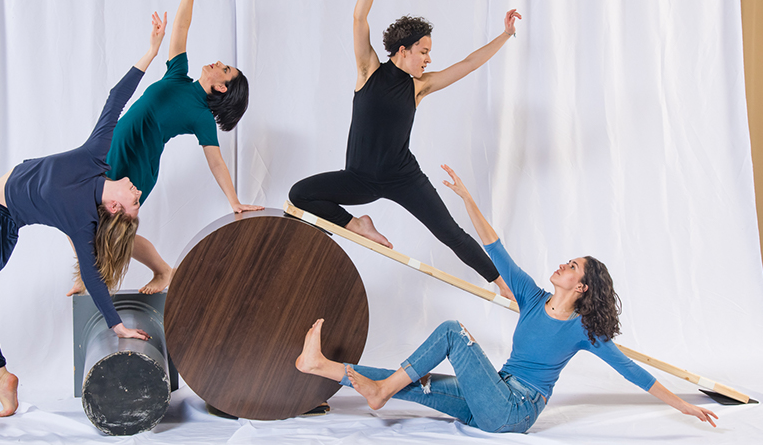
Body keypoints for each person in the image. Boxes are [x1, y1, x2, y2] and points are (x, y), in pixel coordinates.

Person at [295, 163, 719, 433]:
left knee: (452, 333)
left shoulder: (582, 331)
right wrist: (468, 200)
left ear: (582, 288)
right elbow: (494, 245)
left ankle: (379, 391)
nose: (562, 266)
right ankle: (322, 367)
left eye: (572, 267)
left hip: (514, 409)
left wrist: (684, 406)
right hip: (492, 395)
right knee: (407, 381)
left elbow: (634, 373)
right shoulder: (533, 298)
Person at [0, 14, 167, 439]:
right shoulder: (96, 157)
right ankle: (2, 379)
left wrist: (117, 326)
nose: (137, 193)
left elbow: (93, 275)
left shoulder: (83, 218)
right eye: (138, 198)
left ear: (115, 210)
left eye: (136, 205)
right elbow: (116, 100)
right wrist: (150, 50)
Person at [288, 0, 518, 300]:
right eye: (423, 51)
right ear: (402, 50)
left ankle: (503, 285)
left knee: (449, 232)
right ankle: (358, 225)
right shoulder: (369, 70)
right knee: (299, 194)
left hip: (403, 177)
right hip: (359, 178)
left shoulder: (420, 86)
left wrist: (504, 35)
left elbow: (469, 63)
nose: (429, 58)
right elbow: (358, 18)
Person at [68, 0, 262, 297]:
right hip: (113, 148)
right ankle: (101, 276)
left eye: (225, 69)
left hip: (136, 167)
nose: (218, 63)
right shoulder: (178, 75)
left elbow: (215, 160)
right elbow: (182, 27)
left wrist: (234, 201)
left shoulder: (201, 115)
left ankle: (157, 271)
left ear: (221, 87)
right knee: (80, 211)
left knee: (112, 228)